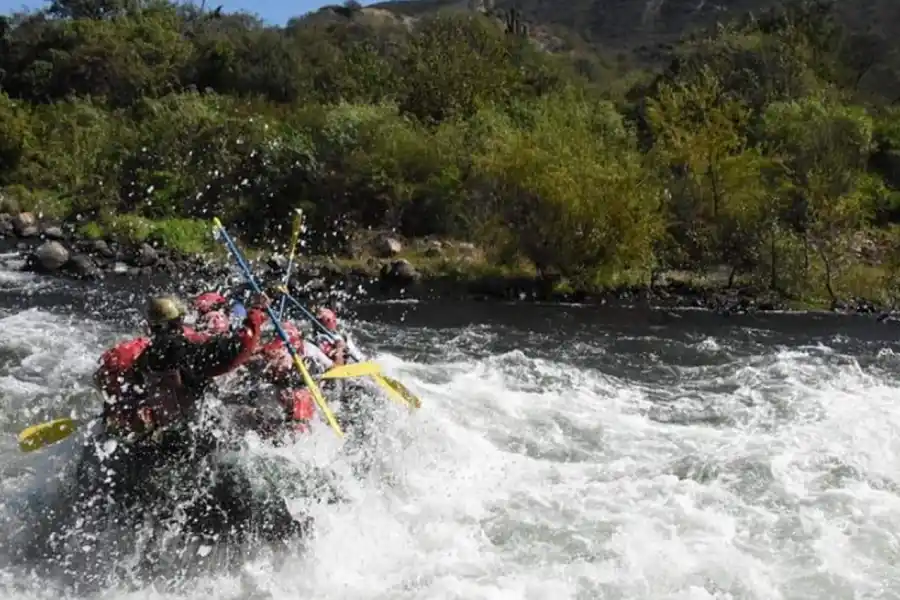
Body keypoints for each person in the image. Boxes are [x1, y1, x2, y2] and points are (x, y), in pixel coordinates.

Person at [83, 293, 310, 548]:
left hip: (156, 436)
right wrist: (256, 313)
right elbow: (234, 351)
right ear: (180, 321)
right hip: (187, 438)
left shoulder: (145, 354)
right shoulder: (177, 349)